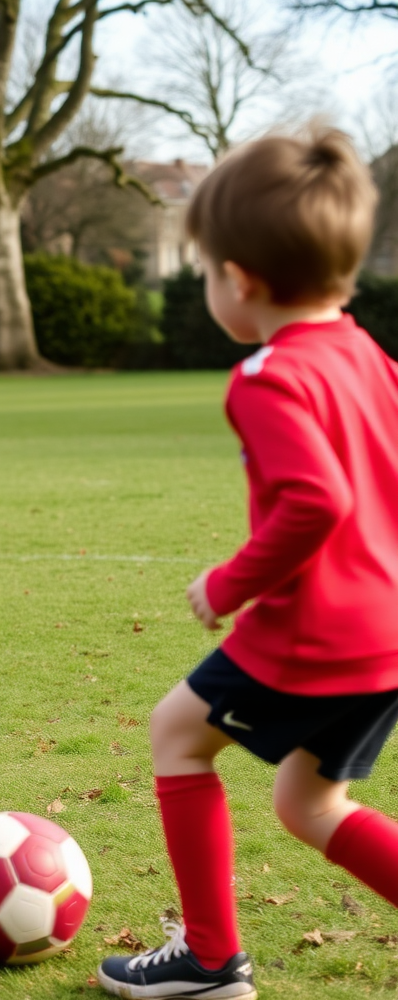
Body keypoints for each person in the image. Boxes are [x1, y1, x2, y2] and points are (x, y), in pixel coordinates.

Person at [97, 127, 398, 999]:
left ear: (243, 281)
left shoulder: (268, 376)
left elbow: (316, 502)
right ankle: (209, 957)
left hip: (321, 631)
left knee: (175, 737)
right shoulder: (370, 356)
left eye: (204, 265)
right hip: (386, 634)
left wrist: (226, 584)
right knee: (309, 806)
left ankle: (211, 960)